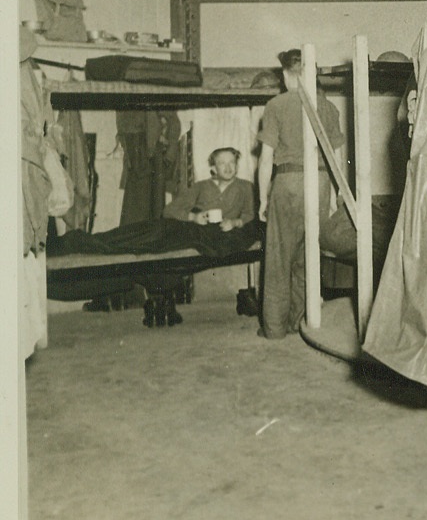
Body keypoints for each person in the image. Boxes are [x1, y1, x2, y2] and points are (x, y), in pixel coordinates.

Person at [257, 48, 345, 340]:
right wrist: (333, 196)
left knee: (279, 256)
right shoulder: (329, 107)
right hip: (319, 181)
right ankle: (302, 322)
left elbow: (266, 158)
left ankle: (274, 328)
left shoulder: (276, 105)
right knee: (310, 254)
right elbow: (338, 157)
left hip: (289, 181)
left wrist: (262, 198)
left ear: (286, 75)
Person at [48, 146, 260, 257]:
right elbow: (170, 210)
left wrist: (235, 223)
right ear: (213, 168)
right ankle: (77, 241)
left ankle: (79, 242)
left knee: (143, 241)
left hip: (204, 236)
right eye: (222, 163)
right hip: (186, 228)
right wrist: (193, 216)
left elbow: (250, 215)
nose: (228, 167)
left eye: (232, 162)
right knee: (146, 231)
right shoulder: (201, 186)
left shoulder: (245, 187)